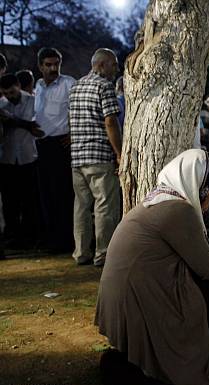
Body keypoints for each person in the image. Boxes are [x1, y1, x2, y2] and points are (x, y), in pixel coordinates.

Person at [95, 149, 209, 385]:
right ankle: (208, 366)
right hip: (141, 299)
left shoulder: (163, 200)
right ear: (198, 182)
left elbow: (198, 256)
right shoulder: (177, 210)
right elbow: (207, 267)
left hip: (135, 295)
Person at [69, 48, 122, 267]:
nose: (116, 69)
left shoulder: (75, 86)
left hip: (77, 157)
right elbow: (110, 122)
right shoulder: (105, 86)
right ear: (101, 65)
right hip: (99, 155)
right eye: (114, 64)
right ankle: (104, 253)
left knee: (81, 206)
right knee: (105, 205)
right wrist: (120, 153)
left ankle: (81, 252)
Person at [34, 47, 76, 253]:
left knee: (63, 195)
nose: (53, 68)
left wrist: (74, 134)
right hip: (42, 146)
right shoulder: (39, 86)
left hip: (62, 145)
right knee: (47, 196)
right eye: (48, 65)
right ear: (40, 66)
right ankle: (52, 240)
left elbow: (78, 109)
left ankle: (66, 241)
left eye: (56, 64)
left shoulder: (69, 83)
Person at [0, 74, 41, 248]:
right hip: (8, 159)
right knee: (10, 203)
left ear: (18, 85)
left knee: (29, 201)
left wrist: (13, 121)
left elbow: (37, 127)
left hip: (28, 156)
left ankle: (30, 236)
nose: (10, 96)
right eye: (6, 93)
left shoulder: (33, 101)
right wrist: (24, 125)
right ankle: (13, 236)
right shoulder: (1, 104)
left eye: (12, 92)